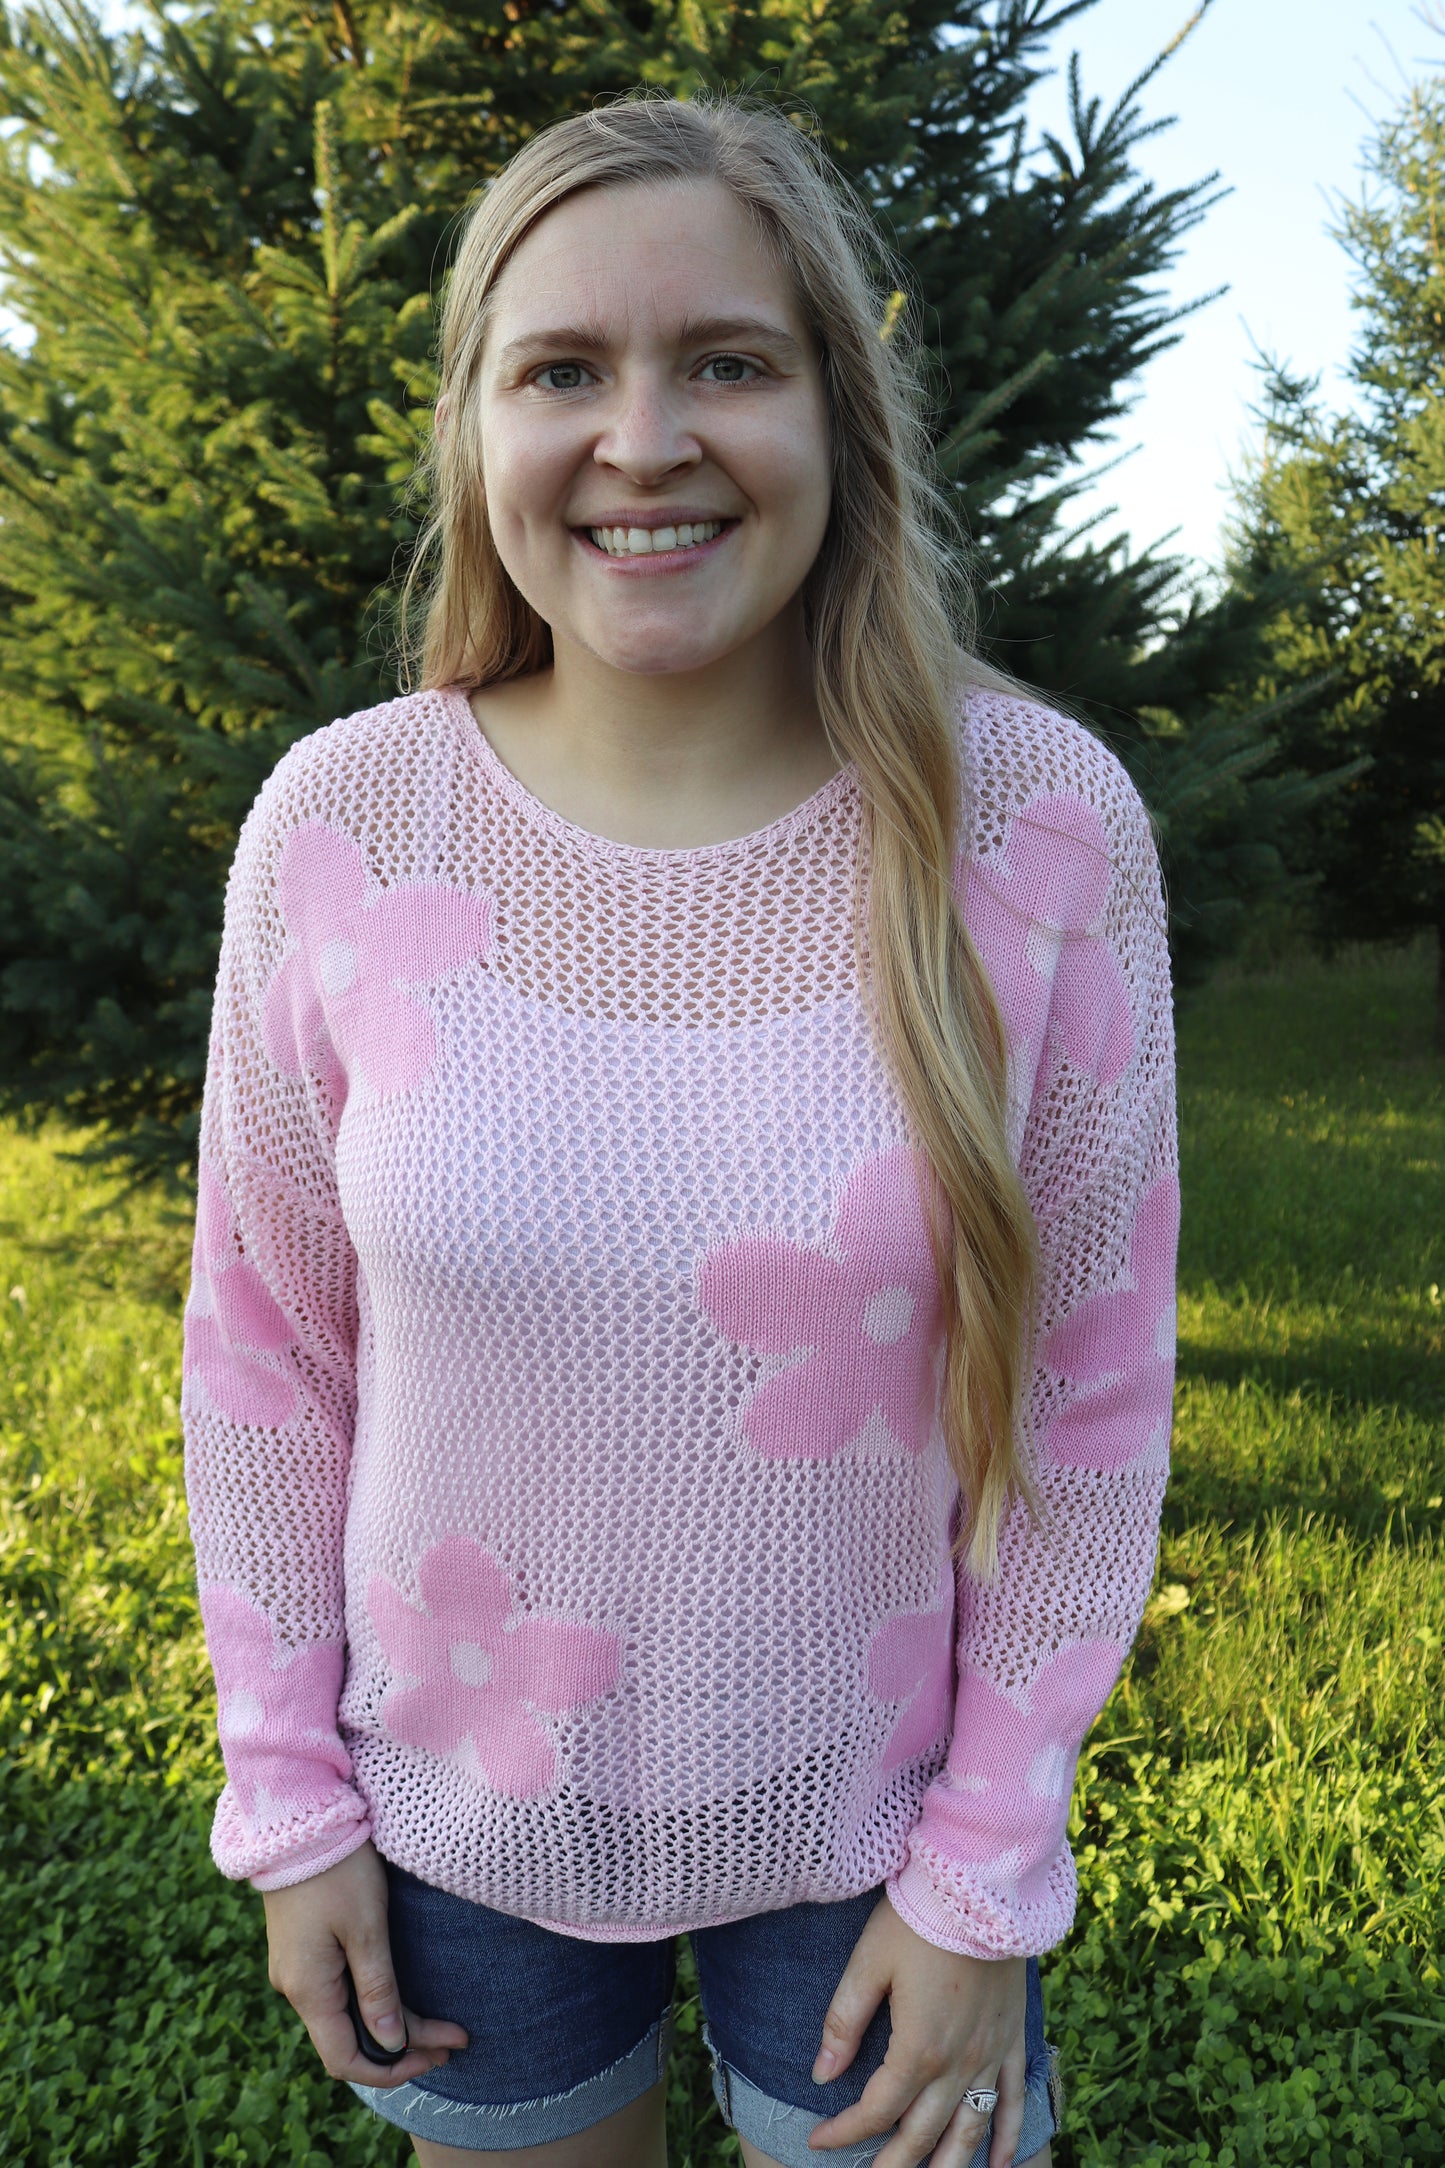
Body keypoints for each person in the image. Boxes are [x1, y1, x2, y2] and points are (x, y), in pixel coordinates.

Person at [180, 92, 1177, 2168]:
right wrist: (286, 1802)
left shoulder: (1038, 823)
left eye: (725, 359)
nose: (644, 440)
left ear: (837, 408)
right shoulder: (344, 824)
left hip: (876, 1803)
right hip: (458, 1800)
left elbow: (1092, 1390)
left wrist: (986, 1865)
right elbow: (267, 1357)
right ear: (478, 429)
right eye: (563, 370)